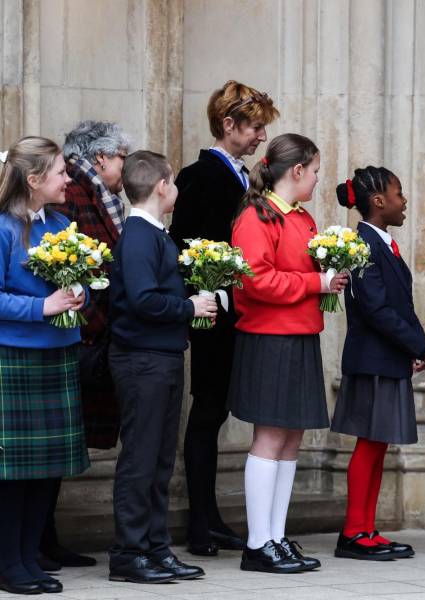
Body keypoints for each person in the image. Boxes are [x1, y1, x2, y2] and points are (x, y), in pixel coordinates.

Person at [228, 133, 347, 574]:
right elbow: (255, 280)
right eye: (315, 171)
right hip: (269, 337)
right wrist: (316, 284)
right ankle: (258, 542)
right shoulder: (256, 217)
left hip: (299, 333)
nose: (317, 180)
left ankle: (276, 537)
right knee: (270, 438)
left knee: (291, 437)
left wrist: (332, 272)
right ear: (297, 171)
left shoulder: (302, 217)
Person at [170, 80, 279, 556]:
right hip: (214, 314)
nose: (260, 137)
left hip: (238, 312)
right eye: (254, 127)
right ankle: (200, 522)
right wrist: (206, 301)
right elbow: (186, 246)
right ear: (228, 125)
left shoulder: (240, 175)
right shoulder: (200, 174)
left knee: (214, 414)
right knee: (208, 412)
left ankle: (210, 517)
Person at [107, 151, 216, 584]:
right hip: (141, 361)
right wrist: (189, 306)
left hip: (161, 357)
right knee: (140, 458)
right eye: (173, 183)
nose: (176, 190)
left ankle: (154, 548)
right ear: (161, 186)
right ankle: (128, 553)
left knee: (158, 461)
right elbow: (142, 300)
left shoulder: (155, 234)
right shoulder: (138, 235)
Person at [330, 167, 425, 561]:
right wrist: (419, 344)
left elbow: (399, 305)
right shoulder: (362, 244)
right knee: (369, 446)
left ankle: (367, 529)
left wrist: (417, 346)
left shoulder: (382, 243)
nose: (404, 200)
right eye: (399, 193)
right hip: (372, 359)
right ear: (378, 202)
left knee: (378, 447)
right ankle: (354, 533)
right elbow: (376, 308)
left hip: (387, 357)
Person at [40, 120, 131, 571]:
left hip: (90, 334)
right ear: (100, 158)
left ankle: (45, 537)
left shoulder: (95, 193)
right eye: (120, 156)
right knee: (49, 444)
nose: (124, 166)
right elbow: (72, 261)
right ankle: (39, 539)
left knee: (60, 445)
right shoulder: (75, 193)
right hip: (80, 334)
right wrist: (91, 322)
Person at [0, 137, 90, 595]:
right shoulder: (1, 228)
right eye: (60, 172)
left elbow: (82, 279)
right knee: (14, 471)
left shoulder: (60, 221)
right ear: (34, 180)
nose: (68, 179)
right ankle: (8, 562)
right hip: (15, 355)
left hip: (58, 351)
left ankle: (31, 556)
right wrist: (42, 307)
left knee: (47, 466)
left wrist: (79, 295)